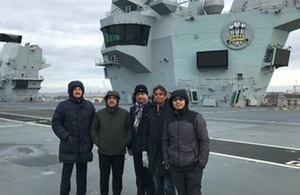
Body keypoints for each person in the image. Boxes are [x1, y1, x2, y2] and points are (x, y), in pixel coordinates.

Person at [162, 89, 210, 195]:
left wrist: (201, 163)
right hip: (175, 167)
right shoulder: (168, 118)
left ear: (186, 101)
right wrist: (167, 161)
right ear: (171, 102)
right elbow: (165, 141)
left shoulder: (195, 117)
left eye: (181, 99)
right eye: (175, 100)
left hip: (193, 166)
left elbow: (204, 141)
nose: (178, 102)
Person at [52, 80, 95, 195]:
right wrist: (67, 137)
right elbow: (56, 124)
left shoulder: (89, 106)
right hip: (68, 147)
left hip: (84, 147)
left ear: (82, 91)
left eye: (79, 89)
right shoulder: (63, 106)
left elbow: (94, 125)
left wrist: (91, 141)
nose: (77, 91)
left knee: (82, 176)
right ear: (71, 91)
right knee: (66, 176)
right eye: (75, 89)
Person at [90, 91, 132, 195]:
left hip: (119, 152)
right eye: (109, 98)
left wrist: (125, 143)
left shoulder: (124, 114)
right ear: (106, 100)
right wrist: (99, 143)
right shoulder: (99, 114)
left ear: (117, 100)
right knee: (104, 177)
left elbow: (129, 130)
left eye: (114, 98)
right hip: (104, 152)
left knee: (118, 177)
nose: (112, 100)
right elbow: (93, 130)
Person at [142, 85, 176, 195]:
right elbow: (146, 133)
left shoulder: (171, 112)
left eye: (161, 94)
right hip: (154, 154)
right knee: (157, 186)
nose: (158, 96)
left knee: (169, 187)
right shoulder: (151, 112)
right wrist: (144, 151)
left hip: (167, 154)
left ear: (166, 96)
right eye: (156, 94)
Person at [129, 84, 155, 195]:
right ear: (135, 96)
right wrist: (130, 146)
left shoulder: (152, 108)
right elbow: (130, 129)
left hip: (148, 148)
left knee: (149, 177)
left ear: (147, 95)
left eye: (143, 94)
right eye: (138, 94)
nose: (140, 96)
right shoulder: (132, 109)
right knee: (139, 177)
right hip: (136, 147)